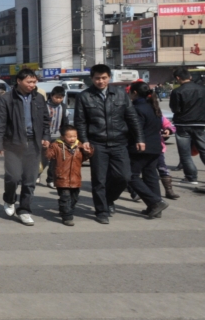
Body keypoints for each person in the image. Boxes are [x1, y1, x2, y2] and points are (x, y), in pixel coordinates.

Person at [74, 64, 144, 224]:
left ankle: (108, 199)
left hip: (119, 142)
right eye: (97, 78)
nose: (100, 81)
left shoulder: (121, 95)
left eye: (104, 78)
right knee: (99, 179)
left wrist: (140, 138)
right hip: (97, 143)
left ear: (109, 78)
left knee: (124, 176)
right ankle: (101, 211)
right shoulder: (84, 96)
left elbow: (132, 118)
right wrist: (84, 140)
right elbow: (80, 121)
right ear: (92, 78)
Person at [0, 68, 51, 226]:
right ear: (19, 81)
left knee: (30, 180)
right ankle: (9, 199)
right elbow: (0, 123)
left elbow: (46, 120)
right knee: (13, 177)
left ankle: (24, 210)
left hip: (33, 144)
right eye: (29, 82)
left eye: (34, 82)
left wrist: (46, 137)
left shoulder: (38, 98)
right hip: (13, 145)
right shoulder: (6, 99)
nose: (32, 84)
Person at [127, 82, 170, 219]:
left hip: (141, 147)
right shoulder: (153, 106)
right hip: (155, 146)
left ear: (134, 93)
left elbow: (135, 129)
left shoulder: (136, 108)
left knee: (130, 176)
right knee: (151, 176)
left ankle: (156, 202)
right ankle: (155, 208)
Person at [45, 125, 93, 225]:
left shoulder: (79, 146)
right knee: (65, 197)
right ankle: (67, 216)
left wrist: (88, 151)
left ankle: (65, 209)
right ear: (63, 137)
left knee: (74, 198)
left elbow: (85, 157)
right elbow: (49, 155)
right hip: (61, 177)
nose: (72, 139)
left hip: (75, 177)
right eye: (69, 136)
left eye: (74, 136)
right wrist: (47, 148)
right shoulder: (56, 145)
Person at [169, 67, 205, 187]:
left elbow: (175, 109)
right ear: (189, 77)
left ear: (178, 78)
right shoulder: (202, 89)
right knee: (203, 150)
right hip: (200, 123)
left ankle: (191, 177)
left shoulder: (177, 92)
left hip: (183, 124)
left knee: (185, 153)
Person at [40, 86, 67, 188]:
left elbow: (65, 122)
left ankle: (50, 179)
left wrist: (65, 135)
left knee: (55, 159)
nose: (59, 99)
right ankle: (37, 174)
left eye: (61, 97)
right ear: (51, 96)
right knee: (44, 158)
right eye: (57, 97)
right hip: (45, 136)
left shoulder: (63, 107)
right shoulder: (44, 106)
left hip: (57, 136)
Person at [158, 116, 179, 199]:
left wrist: (168, 129)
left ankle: (169, 191)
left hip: (157, 147)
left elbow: (170, 125)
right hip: (138, 147)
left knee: (163, 169)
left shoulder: (158, 114)